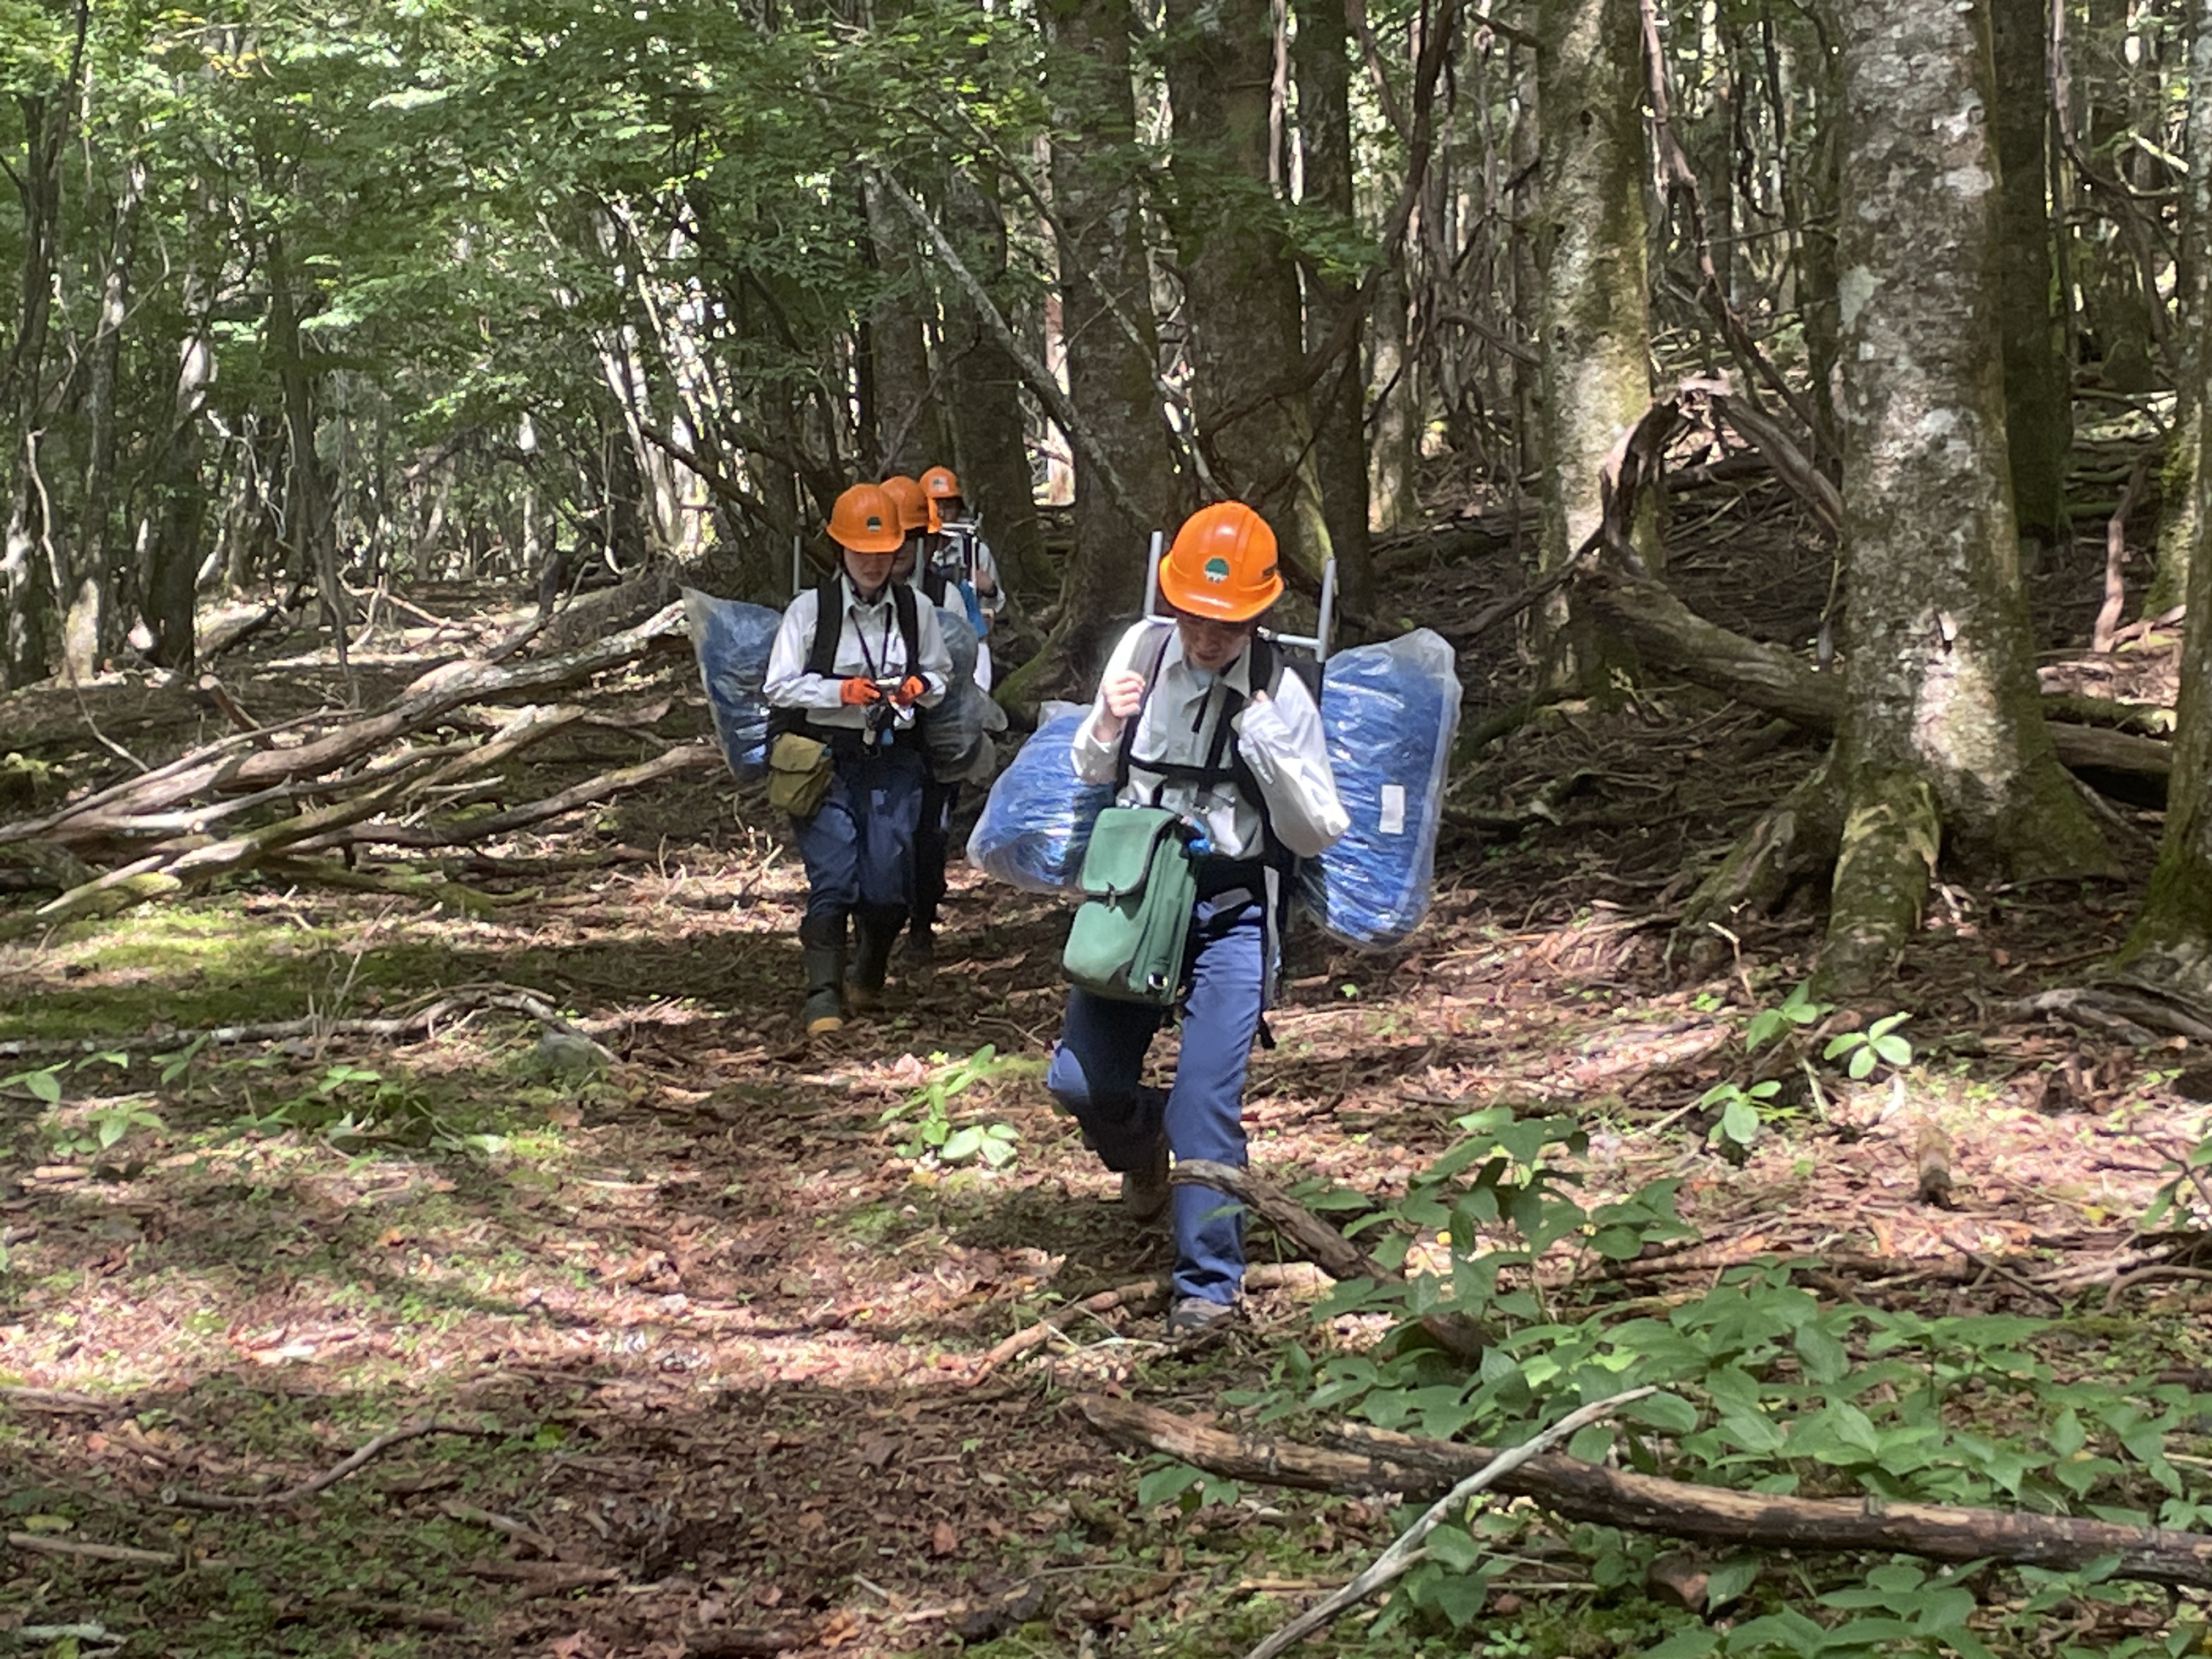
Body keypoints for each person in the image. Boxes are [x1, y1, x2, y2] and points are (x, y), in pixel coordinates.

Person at [1045, 501, 1348, 1334]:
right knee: (1079, 1081)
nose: (1208, 638)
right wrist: (1106, 719)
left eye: (1228, 623)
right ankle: (1143, 1150)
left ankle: (1209, 1288)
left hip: (1230, 907)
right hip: (1139, 897)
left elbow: (1315, 831)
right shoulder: (1142, 651)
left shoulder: (1282, 689)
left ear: (1257, 615)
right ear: (1172, 600)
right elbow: (1090, 767)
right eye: (1195, 617)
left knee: (1204, 1104)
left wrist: (1265, 743)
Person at [763, 482, 953, 1036]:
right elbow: (778, 686)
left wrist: (919, 687)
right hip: (823, 759)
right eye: (861, 551)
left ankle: (867, 974)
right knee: (834, 876)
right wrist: (838, 692)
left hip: (894, 760)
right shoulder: (810, 610)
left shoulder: (917, 610)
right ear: (840, 550)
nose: (873, 563)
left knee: (888, 882)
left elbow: (941, 673)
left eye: (883, 551)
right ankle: (822, 996)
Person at [917, 466, 1003, 690]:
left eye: (948, 506)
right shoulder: (910, 553)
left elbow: (997, 607)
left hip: (970, 640)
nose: (942, 513)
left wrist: (990, 589)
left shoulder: (975, 551)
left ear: (958, 508)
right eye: (935, 506)